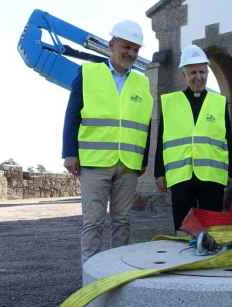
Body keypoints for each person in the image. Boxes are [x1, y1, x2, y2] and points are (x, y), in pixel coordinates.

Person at [62, 20, 153, 265]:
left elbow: (146, 123)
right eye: (127, 47)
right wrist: (70, 152)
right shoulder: (88, 73)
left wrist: (143, 159)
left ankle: (118, 272)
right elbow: (73, 113)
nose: (131, 53)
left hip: (129, 164)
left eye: (136, 49)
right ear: (112, 45)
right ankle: (91, 277)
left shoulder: (142, 82)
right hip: (95, 162)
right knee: (93, 222)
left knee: (122, 221)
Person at [154, 45, 232, 232]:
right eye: (193, 72)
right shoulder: (170, 102)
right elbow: (161, 138)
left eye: (202, 72)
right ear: (184, 75)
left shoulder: (219, 102)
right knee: (183, 228)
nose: (198, 77)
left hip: (212, 177)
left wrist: (229, 171)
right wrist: (159, 172)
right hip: (181, 177)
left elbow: (228, 139)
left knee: (212, 229)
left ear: (207, 72)